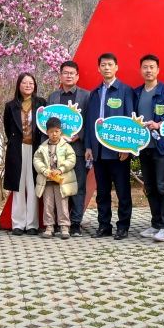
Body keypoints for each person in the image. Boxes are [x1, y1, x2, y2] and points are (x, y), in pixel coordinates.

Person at [83, 52, 136, 239]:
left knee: (123, 191)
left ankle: (123, 226)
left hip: (118, 152)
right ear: (98, 68)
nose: (106, 68)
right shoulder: (95, 93)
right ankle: (104, 225)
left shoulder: (125, 90)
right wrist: (88, 146)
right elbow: (90, 121)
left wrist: (126, 148)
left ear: (116, 67)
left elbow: (131, 121)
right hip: (98, 151)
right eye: (103, 65)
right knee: (102, 192)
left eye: (110, 64)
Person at [134, 54, 164, 242]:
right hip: (143, 147)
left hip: (161, 147)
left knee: (163, 186)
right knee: (150, 186)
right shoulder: (136, 93)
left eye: (152, 67)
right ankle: (155, 224)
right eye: (145, 67)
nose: (148, 70)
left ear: (158, 70)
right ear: (140, 70)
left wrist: (159, 124)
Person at [48, 60, 91, 235]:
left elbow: (89, 121)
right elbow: (46, 123)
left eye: (72, 73)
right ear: (60, 75)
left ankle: (75, 223)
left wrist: (80, 135)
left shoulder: (86, 96)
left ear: (77, 76)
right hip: (57, 151)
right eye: (65, 73)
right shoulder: (53, 97)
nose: (68, 76)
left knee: (78, 187)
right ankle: (60, 222)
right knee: (58, 186)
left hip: (78, 149)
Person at [3, 72, 45, 235]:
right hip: (17, 148)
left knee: (33, 184)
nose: (28, 85)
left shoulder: (41, 103)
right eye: (25, 83)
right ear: (18, 85)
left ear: (35, 86)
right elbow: (8, 129)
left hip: (35, 148)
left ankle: (32, 224)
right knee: (18, 185)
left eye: (31, 83)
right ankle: (18, 224)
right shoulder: (10, 105)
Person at [33, 117, 78, 239]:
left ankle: (64, 227)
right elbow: (36, 160)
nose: (54, 134)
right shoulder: (42, 147)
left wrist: (61, 169)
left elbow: (72, 159)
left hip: (61, 181)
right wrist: (44, 170)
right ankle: (49, 227)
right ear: (47, 132)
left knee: (62, 204)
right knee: (48, 204)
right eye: (51, 131)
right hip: (47, 181)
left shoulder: (66, 146)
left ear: (60, 132)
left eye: (57, 131)